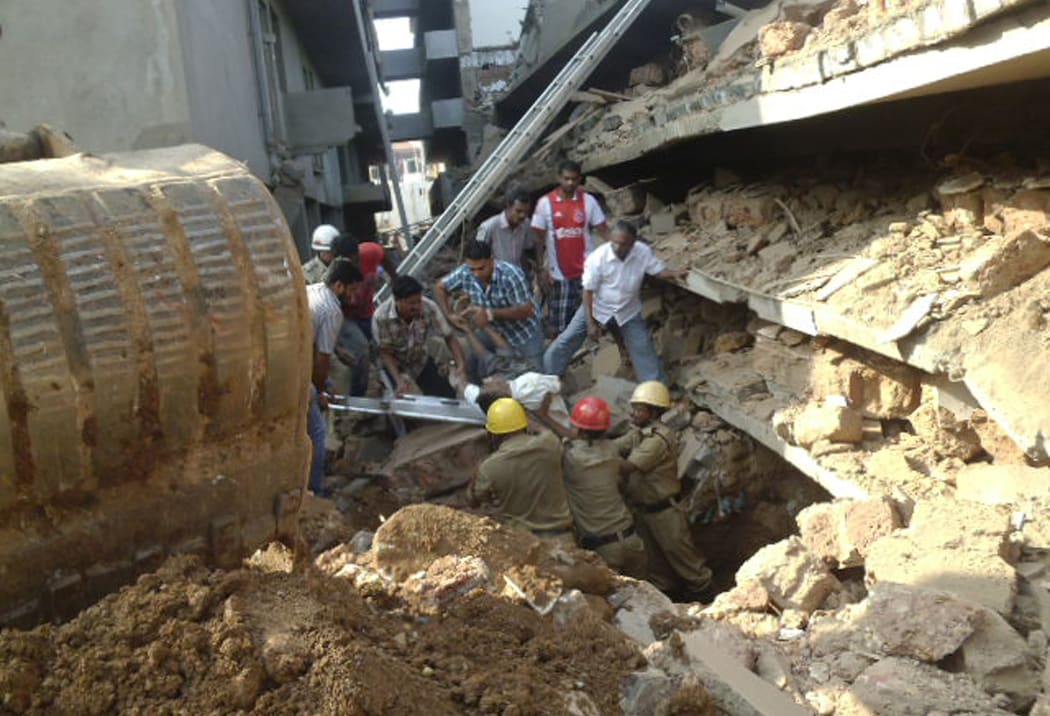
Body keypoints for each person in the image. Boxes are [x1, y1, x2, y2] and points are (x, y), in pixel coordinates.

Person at [545, 220, 682, 382]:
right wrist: (590, 323)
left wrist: (674, 273)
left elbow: (657, 271)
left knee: (643, 347)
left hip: (627, 311)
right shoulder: (598, 258)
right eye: (614, 242)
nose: (616, 247)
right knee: (567, 339)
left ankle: (655, 388)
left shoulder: (642, 252)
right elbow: (587, 292)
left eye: (622, 244)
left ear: (632, 243)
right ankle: (546, 377)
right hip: (597, 307)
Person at [616, 381, 712, 599]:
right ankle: (669, 602)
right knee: (657, 568)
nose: (633, 413)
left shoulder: (657, 439)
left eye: (639, 409)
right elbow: (616, 447)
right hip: (645, 511)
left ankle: (708, 600)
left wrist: (592, 460)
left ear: (653, 412)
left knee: (688, 565)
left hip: (664, 513)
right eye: (634, 408)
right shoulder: (640, 433)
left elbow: (627, 467)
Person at [535, 396, 647, 578]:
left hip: (604, 548)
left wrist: (542, 418)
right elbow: (580, 437)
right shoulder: (611, 450)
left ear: (578, 428)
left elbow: (553, 440)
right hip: (632, 540)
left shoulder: (570, 458)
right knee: (645, 593)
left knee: (612, 595)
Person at [467, 398, 574, 545]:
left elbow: (473, 501)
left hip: (525, 545)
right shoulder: (550, 443)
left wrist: (476, 473)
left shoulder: (490, 468)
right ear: (524, 425)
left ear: (493, 434)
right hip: (563, 539)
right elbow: (542, 429)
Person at [434, 241, 545, 378]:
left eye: (481, 268)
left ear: (491, 260)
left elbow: (526, 310)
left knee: (535, 376)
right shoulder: (465, 272)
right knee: (475, 368)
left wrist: (490, 314)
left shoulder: (511, 275)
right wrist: (449, 315)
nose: (476, 274)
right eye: (472, 269)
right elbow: (440, 287)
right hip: (492, 330)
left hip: (523, 333)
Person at [530, 159, 608, 334]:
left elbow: (603, 229)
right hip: (559, 274)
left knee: (594, 317)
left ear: (580, 179)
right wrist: (541, 270)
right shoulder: (545, 203)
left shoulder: (588, 201)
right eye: (566, 178)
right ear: (558, 178)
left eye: (574, 179)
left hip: (587, 271)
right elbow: (538, 239)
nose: (570, 183)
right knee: (560, 323)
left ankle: (592, 345)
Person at [306, 259, 363, 496]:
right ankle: (315, 491)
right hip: (298, 373)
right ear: (339, 286)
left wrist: (325, 383)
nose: (355, 297)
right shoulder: (332, 310)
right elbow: (322, 358)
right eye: (352, 290)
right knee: (317, 432)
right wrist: (319, 391)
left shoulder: (311, 291)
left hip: (291, 362)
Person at [372, 275, 468, 397]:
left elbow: (448, 336)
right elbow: (385, 352)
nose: (417, 306)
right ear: (397, 300)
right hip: (395, 365)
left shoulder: (429, 306)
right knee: (403, 400)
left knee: (447, 396)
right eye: (411, 303)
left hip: (420, 359)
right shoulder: (381, 317)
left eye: (418, 301)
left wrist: (461, 365)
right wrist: (399, 380)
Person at [338, 236, 398, 397]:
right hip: (346, 317)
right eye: (351, 262)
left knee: (384, 348)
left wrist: (394, 277)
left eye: (356, 260)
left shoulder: (370, 252)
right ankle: (357, 395)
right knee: (362, 350)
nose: (356, 264)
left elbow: (383, 255)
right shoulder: (337, 271)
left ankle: (394, 389)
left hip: (367, 313)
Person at [475, 187, 540, 272]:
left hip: (517, 273)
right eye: (518, 211)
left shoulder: (526, 224)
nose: (522, 215)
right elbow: (477, 256)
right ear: (508, 207)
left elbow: (528, 248)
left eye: (526, 212)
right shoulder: (488, 227)